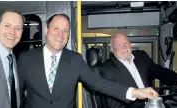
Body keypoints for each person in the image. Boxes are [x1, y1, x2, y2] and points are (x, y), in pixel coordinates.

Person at [17, 13, 159, 108]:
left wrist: (135, 92)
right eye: (56, 28)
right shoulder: (26, 59)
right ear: (47, 30)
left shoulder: (75, 59)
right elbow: (17, 96)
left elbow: (99, 83)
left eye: (65, 30)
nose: (61, 34)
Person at [99, 32, 177, 108]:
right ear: (111, 49)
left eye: (126, 43)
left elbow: (161, 72)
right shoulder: (106, 69)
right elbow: (113, 104)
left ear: (130, 44)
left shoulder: (141, 57)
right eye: (119, 45)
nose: (124, 47)